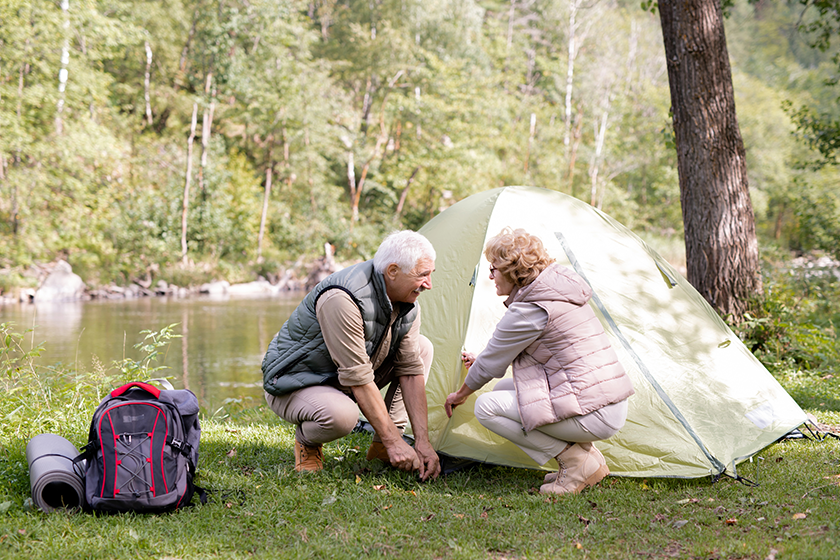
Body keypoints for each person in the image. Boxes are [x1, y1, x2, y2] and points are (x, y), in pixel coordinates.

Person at [444, 227, 634, 495]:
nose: (490, 275)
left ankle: (575, 462)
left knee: (486, 407)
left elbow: (490, 363)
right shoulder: (555, 291)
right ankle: (588, 457)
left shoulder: (530, 308)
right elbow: (544, 353)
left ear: (512, 271)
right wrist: (483, 360)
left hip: (595, 413)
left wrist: (460, 394)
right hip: (605, 402)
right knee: (502, 391)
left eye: (494, 268)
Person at [262, 230, 441, 481]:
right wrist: (395, 443)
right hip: (294, 382)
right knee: (342, 416)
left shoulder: (407, 301)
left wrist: (422, 442)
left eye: (431, 274)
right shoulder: (341, 298)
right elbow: (358, 377)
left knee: (422, 349)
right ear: (392, 271)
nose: (429, 284)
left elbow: (410, 370)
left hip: (340, 378)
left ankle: (382, 446)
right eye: (423, 275)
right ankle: (307, 442)